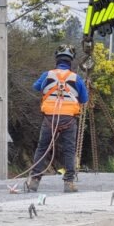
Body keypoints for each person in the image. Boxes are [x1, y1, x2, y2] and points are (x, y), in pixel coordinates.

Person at [28, 44, 89, 193]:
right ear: (71, 61)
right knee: (69, 150)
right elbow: (84, 98)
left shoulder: (47, 75)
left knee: (42, 148)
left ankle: (35, 180)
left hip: (50, 118)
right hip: (68, 119)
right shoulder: (76, 78)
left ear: (57, 59)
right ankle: (68, 183)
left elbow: (36, 87)